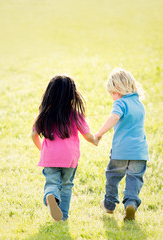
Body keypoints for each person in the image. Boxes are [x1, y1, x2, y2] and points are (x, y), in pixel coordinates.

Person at [31, 74, 99, 221]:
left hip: (49, 157)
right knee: (67, 185)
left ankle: (51, 197)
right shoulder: (75, 115)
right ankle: (63, 216)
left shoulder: (43, 115)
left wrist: (42, 149)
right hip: (69, 158)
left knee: (52, 182)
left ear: (49, 94)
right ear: (72, 95)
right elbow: (87, 135)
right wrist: (95, 140)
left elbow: (33, 135)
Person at [95, 67, 150, 221]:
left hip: (121, 150)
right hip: (139, 151)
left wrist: (99, 133)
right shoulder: (139, 104)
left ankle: (109, 204)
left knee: (113, 176)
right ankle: (130, 204)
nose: (112, 97)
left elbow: (114, 117)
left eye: (112, 93)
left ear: (118, 90)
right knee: (134, 178)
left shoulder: (120, 103)